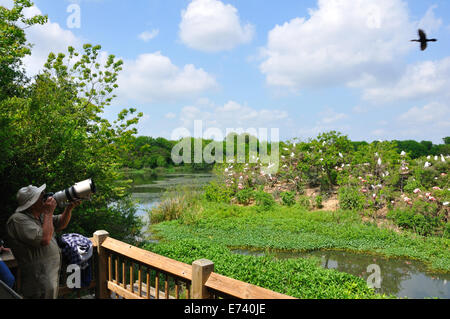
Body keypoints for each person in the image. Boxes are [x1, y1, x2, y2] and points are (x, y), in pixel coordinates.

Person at [6, 184, 80, 299]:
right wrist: (48, 212)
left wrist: (69, 208)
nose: (44, 197)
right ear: (31, 203)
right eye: (40, 196)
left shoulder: (39, 215)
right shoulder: (18, 220)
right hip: (38, 278)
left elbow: (61, 223)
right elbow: (44, 239)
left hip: (49, 274)